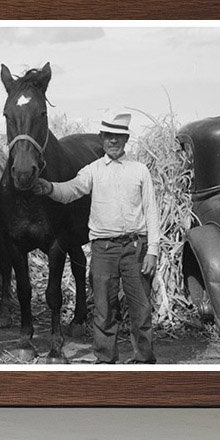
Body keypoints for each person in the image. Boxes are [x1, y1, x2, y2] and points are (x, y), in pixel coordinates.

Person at [33, 111, 159, 364]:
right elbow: (70, 190)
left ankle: (144, 360)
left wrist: (153, 250)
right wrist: (49, 188)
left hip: (135, 247)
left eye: (118, 137)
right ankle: (105, 360)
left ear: (126, 139)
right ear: (102, 139)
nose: (113, 141)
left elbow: (151, 210)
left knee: (141, 309)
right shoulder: (92, 171)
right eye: (109, 136)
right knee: (103, 310)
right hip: (103, 249)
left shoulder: (139, 171)